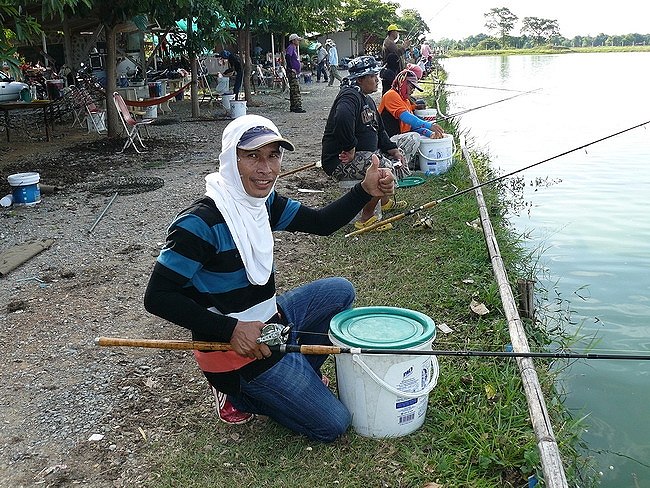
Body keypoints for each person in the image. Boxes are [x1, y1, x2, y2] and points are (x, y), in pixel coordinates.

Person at [144, 114, 396, 442]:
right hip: (236, 353)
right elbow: (157, 296)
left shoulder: (263, 202)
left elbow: (320, 223)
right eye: (252, 156)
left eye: (274, 155)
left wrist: (366, 190)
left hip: (270, 322)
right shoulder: (198, 224)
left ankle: (296, 373)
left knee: (340, 291)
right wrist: (231, 330)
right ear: (230, 160)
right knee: (334, 423)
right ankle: (238, 395)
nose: (266, 169)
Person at [321, 56, 415, 231]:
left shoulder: (367, 99)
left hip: (365, 155)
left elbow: (380, 131)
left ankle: (385, 202)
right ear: (360, 79)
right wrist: (349, 147)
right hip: (339, 162)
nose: (377, 80)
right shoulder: (350, 96)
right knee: (384, 169)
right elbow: (342, 118)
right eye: (372, 76)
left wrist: (393, 150)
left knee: (397, 160)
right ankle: (366, 217)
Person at [378, 69, 444, 170]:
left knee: (418, 136)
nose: (413, 90)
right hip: (386, 141)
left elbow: (412, 127)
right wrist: (430, 125)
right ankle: (401, 168)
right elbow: (407, 118)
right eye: (411, 86)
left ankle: (403, 165)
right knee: (414, 138)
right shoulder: (391, 95)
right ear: (403, 83)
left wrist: (430, 134)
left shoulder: (406, 101)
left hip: (396, 139)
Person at [285, 34, 305, 113]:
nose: (298, 41)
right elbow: (287, 57)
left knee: (293, 89)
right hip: (292, 71)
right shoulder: (291, 47)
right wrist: (291, 68)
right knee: (296, 89)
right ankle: (297, 106)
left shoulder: (294, 48)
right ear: (293, 41)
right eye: (297, 40)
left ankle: (293, 106)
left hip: (293, 71)